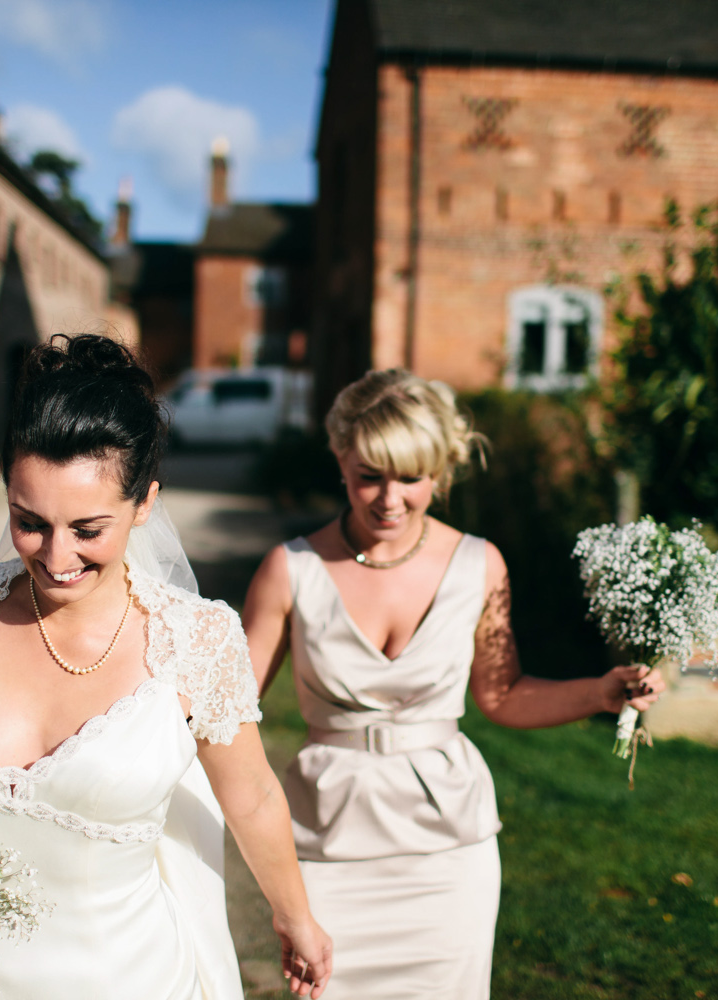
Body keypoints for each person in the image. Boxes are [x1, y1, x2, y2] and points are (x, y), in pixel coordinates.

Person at [0, 334, 332, 1000]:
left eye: (87, 528)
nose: (54, 555)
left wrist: (296, 916)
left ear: (145, 504)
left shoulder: (195, 638)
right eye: (30, 521)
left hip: (124, 976)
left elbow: (249, 793)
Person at [241, 369, 664, 999]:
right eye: (370, 476)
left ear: (440, 471)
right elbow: (227, 715)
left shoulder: (480, 565)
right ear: (340, 461)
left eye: (411, 477)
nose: (389, 498)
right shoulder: (290, 569)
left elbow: (502, 695)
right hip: (327, 847)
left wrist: (599, 693)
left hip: (446, 856)